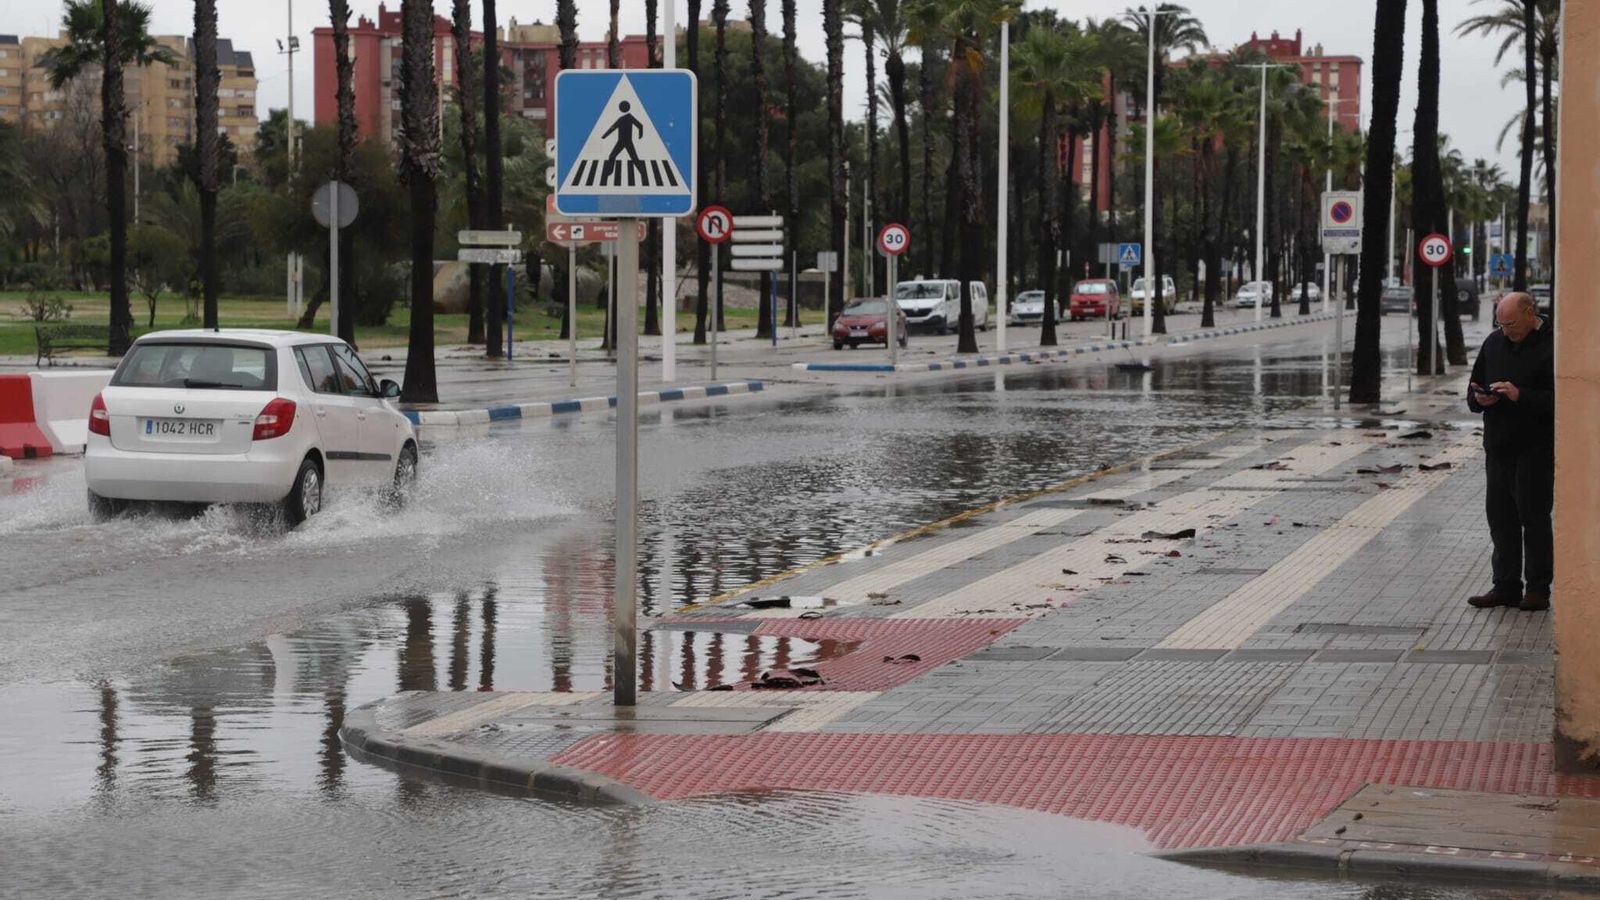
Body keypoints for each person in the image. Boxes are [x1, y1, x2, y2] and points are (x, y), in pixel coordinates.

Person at [1466, 292, 1555, 611]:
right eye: (1501, 325)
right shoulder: (1493, 343)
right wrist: (1480, 399)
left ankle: (1538, 588)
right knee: (1500, 519)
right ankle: (1505, 585)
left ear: (1531, 313)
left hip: (1535, 448)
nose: (1506, 331)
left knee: (1534, 517)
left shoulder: (1553, 344)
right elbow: (1473, 390)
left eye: (1512, 324)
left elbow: (1560, 400)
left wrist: (1520, 395)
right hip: (1498, 446)